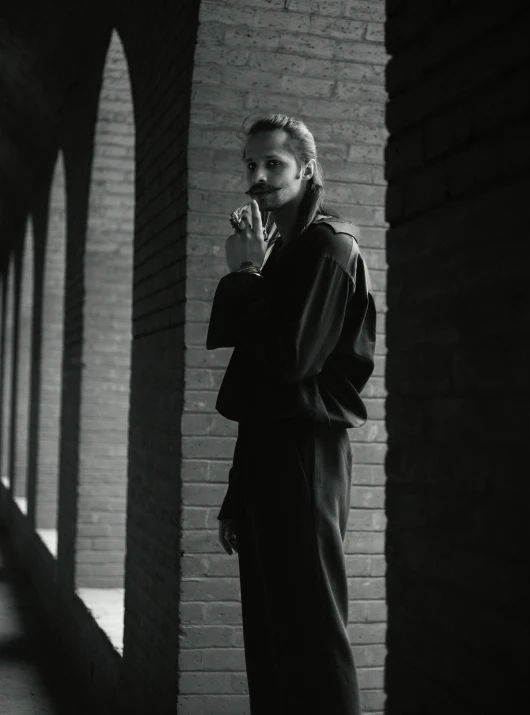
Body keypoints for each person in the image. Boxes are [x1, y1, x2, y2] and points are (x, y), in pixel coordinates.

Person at [206, 113, 377, 715]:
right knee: (271, 634)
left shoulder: (330, 246)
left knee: (312, 634)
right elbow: (256, 388)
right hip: (267, 458)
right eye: (250, 165)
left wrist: (246, 274)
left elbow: (291, 359)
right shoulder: (283, 252)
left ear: (306, 169)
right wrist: (236, 491)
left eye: (273, 164)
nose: (257, 177)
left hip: (308, 458)